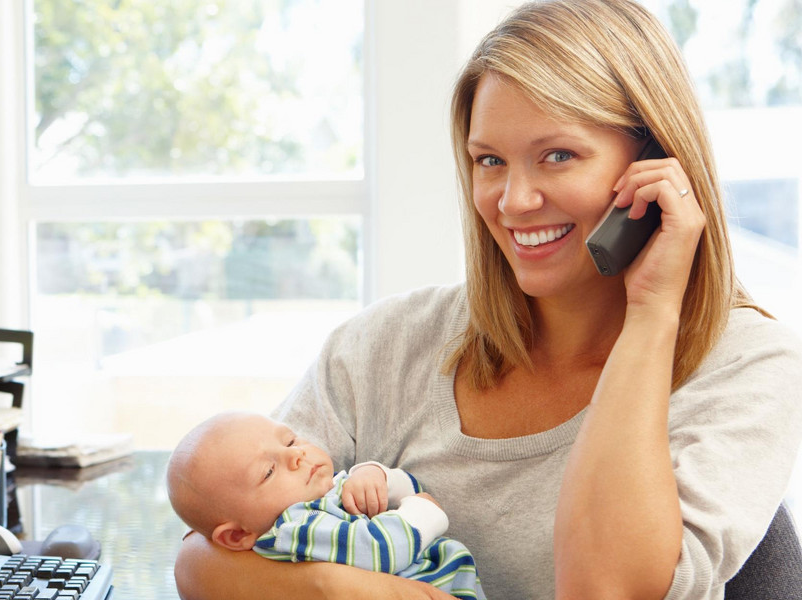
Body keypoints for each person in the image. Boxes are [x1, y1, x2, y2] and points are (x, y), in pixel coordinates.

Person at [173, 1, 802, 599]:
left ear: (654, 161)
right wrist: (342, 588)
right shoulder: (386, 347)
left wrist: (652, 315)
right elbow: (204, 557)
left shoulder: (748, 365)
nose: (513, 200)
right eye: (490, 160)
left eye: (558, 156)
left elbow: (608, 591)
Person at [167, 411, 487, 599]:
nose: (296, 455)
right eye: (268, 472)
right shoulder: (294, 527)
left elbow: (413, 492)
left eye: (290, 440)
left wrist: (375, 475)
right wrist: (424, 511)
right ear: (237, 536)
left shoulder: (324, 491)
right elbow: (382, 550)